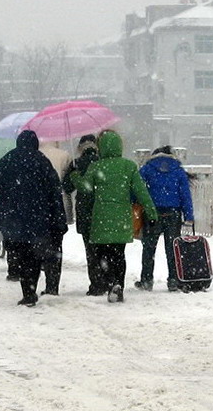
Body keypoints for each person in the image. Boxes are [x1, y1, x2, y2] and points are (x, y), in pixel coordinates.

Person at [70, 130, 157, 303]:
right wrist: (151, 212)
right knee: (119, 254)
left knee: (104, 255)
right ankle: (119, 285)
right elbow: (141, 192)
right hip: (122, 219)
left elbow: (86, 189)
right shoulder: (128, 166)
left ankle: (111, 283)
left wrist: (75, 176)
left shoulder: (96, 166)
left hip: (101, 218)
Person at [0, 130, 67, 306]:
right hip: (38, 218)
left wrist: (0, 215)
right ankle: (31, 288)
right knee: (33, 256)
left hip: (14, 218)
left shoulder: (6, 161)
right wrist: (57, 217)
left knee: (19, 253)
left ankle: (27, 290)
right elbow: (54, 191)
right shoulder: (42, 161)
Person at [136, 146, 194, 292]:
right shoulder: (178, 170)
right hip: (173, 213)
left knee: (149, 248)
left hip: (152, 213)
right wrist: (189, 215)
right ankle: (173, 280)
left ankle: (146, 280)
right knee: (172, 248)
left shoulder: (147, 169)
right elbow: (185, 195)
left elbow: (138, 189)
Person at [62, 134, 102, 295]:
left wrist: (73, 171)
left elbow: (67, 187)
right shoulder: (103, 162)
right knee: (105, 248)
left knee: (90, 250)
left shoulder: (76, 164)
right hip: (102, 208)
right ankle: (108, 280)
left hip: (85, 210)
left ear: (80, 147)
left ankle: (96, 284)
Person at [37, 140, 73, 295]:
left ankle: (43, 265)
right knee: (56, 242)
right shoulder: (64, 155)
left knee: (41, 241)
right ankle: (53, 282)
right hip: (59, 201)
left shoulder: (38, 156)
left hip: (40, 203)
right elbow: (67, 181)